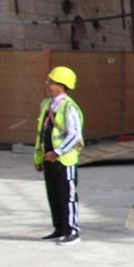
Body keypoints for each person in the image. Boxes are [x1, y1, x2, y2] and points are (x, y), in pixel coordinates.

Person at [34, 66, 84, 246]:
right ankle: (59, 229)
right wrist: (39, 158)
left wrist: (57, 152)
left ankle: (72, 231)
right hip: (49, 159)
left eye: (52, 82)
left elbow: (75, 134)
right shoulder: (46, 104)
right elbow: (41, 133)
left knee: (67, 196)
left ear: (61, 87)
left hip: (64, 160)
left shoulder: (69, 107)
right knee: (54, 194)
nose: (48, 85)